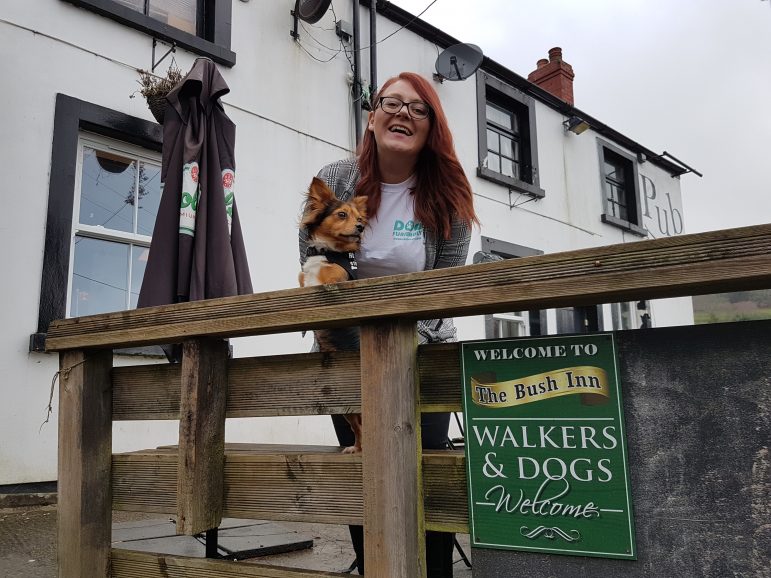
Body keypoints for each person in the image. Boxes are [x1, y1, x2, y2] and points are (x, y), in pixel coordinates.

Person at [299, 71, 478, 577]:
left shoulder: (447, 195)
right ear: (372, 116)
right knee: (366, 482)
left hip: (422, 359)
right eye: (391, 103)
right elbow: (317, 268)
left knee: (427, 485)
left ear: (432, 126)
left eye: (418, 108)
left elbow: (443, 294)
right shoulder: (335, 178)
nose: (402, 112)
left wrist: (398, 343)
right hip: (343, 357)